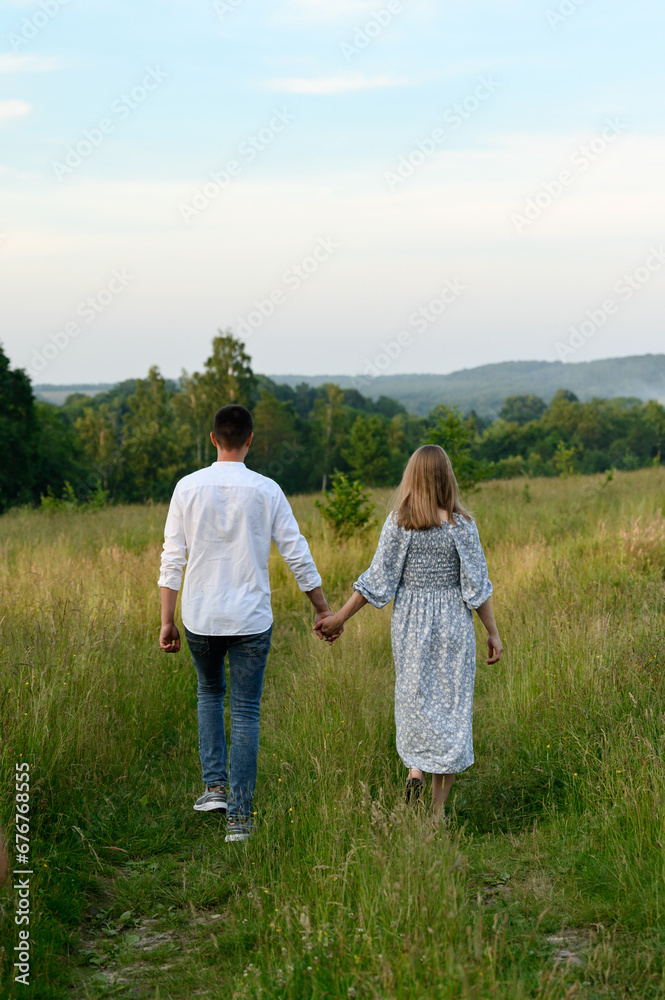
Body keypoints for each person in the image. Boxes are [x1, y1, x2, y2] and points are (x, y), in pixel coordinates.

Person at [158, 404, 339, 842]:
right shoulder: (267, 490)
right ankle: (239, 818)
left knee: (208, 692)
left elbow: (172, 557)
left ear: (214, 438)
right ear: (251, 439)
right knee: (245, 711)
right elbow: (297, 552)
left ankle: (214, 788)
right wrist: (321, 608)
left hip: (200, 618)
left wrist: (167, 621)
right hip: (250, 620)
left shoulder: (187, 487)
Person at [315, 444, 502, 817]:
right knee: (451, 711)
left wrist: (338, 618)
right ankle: (435, 814)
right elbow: (476, 586)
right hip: (452, 624)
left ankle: (416, 769)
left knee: (416, 702)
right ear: (446, 477)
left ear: (411, 478)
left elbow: (376, 582)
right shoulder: (461, 526)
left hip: (412, 627)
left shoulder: (399, 523)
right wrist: (492, 632)